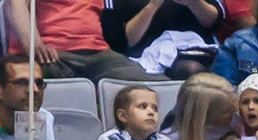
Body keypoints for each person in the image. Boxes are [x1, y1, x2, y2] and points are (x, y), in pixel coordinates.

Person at [8, 0, 152, 81]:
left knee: (155, 84)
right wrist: (35, 43)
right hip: (54, 54)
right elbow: (15, 5)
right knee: (29, 80)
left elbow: (121, 39)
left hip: (98, 54)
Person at [107, 0, 224, 77]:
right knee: (191, 69)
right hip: (143, 56)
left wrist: (192, 2)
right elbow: (121, 42)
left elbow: (214, 23)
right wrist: (152, 6)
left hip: (198, 50)